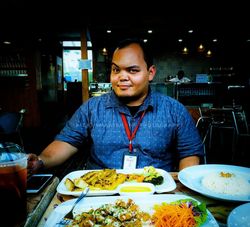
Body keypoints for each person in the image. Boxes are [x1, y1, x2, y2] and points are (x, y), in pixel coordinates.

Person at [28, 38, 203, 174]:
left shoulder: (174, 110)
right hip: (100, 192)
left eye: (132, 70)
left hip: (154, 194)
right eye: (116, 70)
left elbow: (190, 153)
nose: (122, 77)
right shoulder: (92, 108)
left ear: (150, 73)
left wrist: (183, 189)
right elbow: (66, 141)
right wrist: (41, 161)